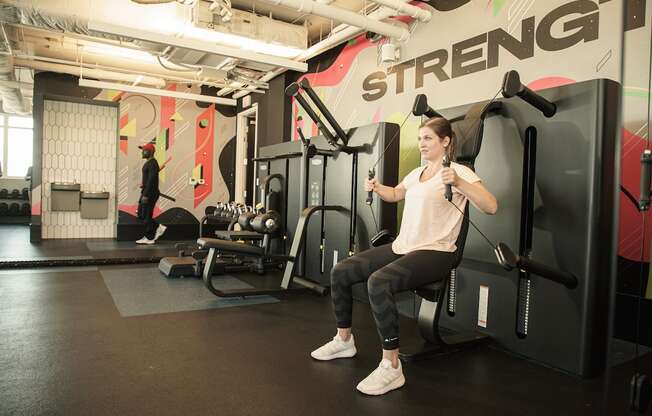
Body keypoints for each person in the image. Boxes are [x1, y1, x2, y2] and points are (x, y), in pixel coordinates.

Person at [310, 117, 498, 396]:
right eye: (420, 138)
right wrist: (376, 188)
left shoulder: (458, 171)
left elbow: (491, 206)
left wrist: (459, 181)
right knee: (341, 271)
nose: (421, 143)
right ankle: (344, 339)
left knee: (379, 282)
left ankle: (391, 365)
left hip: (436, 251)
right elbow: (397, 193)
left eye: (428, 138)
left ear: (445, 141)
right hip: (404, 245)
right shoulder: (417, 173)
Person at [137, 143, 166, 244]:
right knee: (141, 214)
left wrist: (146, 195)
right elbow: (149, 178)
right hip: (146, 191)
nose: (142, 152)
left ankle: (149, 238)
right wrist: (143, 184)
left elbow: (152, 180)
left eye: (144, 150)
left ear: (150, 152)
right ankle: (158, 227)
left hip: (150, 193)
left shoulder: (153, 163)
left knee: (146, 216)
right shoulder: (150, 163)